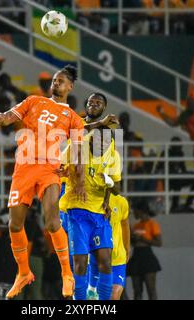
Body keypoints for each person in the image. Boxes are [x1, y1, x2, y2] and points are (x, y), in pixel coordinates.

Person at [0, 65, 86, 299]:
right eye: (54, 80)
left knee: (51, 221)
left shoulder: (74, 119)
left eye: (61, 81)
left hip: (50, 169)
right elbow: (10, 116)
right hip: (24, 167)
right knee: (14, 225)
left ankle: (67, 275)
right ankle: (23, 273)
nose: (56, 83)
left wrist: (74, 173)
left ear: (70, 86)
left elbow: (79, 152)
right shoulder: (33, 100)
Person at [59, 93, 121, 300]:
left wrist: (107, 196)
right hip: (72, 199)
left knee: (103, 259)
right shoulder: (77, 127)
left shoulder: (110, 146)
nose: (94, 104)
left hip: (97, 205)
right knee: (78, 260)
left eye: (99, 102)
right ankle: (78, 296)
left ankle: (96, 296)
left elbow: (114, 181)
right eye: (92, 101)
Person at [87, 194, 130, 300]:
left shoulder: (121, 201)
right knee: (94, 297)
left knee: (114, 296)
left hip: (117, 259)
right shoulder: (89, 200)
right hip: (95, 260)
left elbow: (125, 225)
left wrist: (127, 249)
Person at [128, 199, 162, 300]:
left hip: (147, 257)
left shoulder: (152, 224)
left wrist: (142, 238)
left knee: (151, 290)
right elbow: (133, 243)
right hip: (136, 257)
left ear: (141, 211)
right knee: (137, 291)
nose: (133, 213)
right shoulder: (136, 225)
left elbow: (159, 242)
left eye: (135, 210)